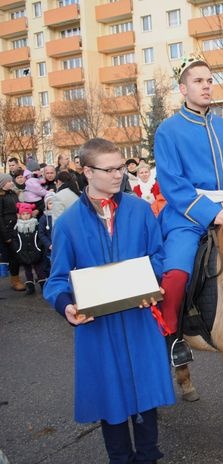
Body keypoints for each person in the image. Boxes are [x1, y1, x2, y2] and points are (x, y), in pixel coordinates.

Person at [43, 138, 175, 464]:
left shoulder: (141, 210)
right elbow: (57, 278)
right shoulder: (69, 223)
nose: (119, 174)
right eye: (110, 169)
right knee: (111, 399)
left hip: (138, 318)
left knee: (146, 396)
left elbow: (158, 256)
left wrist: (152, 283)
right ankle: (119, 458)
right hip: (98, 327)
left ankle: (148, 456)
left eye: (121, 167)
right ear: (87, 171)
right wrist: (66, 305)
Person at [154, 53, 223, 352]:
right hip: (186, 215)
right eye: (198, 81)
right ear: (183, 89)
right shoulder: (167, 130)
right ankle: (171, 336)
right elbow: (173, 185)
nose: (207, 86)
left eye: (209, 81)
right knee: (176, 274)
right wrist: (212, 214)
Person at [11, 202, 47, 294]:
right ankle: (30, 287)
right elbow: (15, 240)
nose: (26, 216)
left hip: (36, 251)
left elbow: (39, 237)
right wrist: (18, 250)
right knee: (27, 270)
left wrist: (39, 248)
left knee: (39, 269)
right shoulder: (17, 227)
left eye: (27, 214)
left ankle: (43, 285)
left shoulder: (35, 225)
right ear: (20, 215)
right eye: (23, 214)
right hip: (23, 252)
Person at [0, 174, 26, 291]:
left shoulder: (13, 193)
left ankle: (15, 279)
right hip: (6, 230)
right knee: (12, 256)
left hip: (15, 227)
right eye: (9, 181)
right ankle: (15, 281)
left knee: (15, 256)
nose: (11, 182)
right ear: (2, 183)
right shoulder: (1, 197)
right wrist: (5, 235)